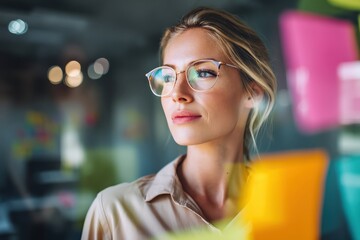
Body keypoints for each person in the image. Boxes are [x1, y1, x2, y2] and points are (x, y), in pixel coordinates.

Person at [81, 6, 276, 240]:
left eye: (203, 73)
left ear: (252, 93)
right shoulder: (115, 213)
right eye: (167, 77)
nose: (177, 93)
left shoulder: (283, 203)